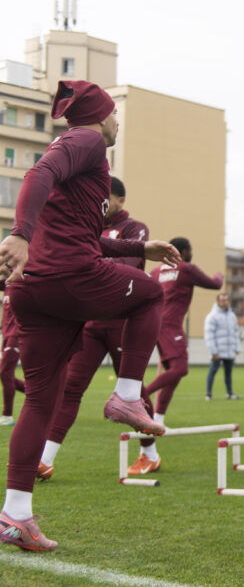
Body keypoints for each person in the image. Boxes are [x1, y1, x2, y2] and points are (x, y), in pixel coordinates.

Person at [0, 80, 179, 551]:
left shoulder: (78, 156)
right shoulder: (88, 140)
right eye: (115, 113)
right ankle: (127, 396)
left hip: (33, 290)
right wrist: (19, 233)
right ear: (100, 115)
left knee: (41, 402)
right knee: (149, 295)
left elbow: (82, 234)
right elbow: (38, 173)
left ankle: (15, 514)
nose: (117, 121)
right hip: (69, 278)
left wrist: (141, 247)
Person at [37, 176, 150, 479]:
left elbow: (127, 266)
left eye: (105, 198)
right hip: (91, 322)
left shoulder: (134, 228)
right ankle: (45, 459)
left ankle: (149, 453)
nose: (100, 203)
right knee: (72, 387)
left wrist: (89, 269)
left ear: (119, 200)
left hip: (122, 323)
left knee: (134, 392)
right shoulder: (90, 228)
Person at [130, 237, 224, 474]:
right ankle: (142, 396)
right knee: (181, 369)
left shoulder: (156, 271)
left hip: (155, 324)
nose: (191, 253)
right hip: (171, 326)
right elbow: (214, 284)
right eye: (190, 250)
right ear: (182, 251)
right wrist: (220, 275)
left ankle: (159, 418)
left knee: (172, 373)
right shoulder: (186, 268)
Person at [205, 292, 241, 401]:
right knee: (212, 371)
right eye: (223, 300)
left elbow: (236, 332)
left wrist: (237, 347)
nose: (225, 302)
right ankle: (208, 394)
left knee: (228, 373)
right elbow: (209, 335)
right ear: (218, 301)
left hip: (229, 350)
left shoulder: (232, 316)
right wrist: (213, 351)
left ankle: (230, 393)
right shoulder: (212, 316)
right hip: (218, 351)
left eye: (226, 300)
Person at [0, 287, 25, 426]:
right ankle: (41, 395)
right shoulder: (7, 284)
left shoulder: (22, 282)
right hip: (6, 335)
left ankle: (7, 415)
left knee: (5, 373)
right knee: (3, 373)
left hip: (15, 335)